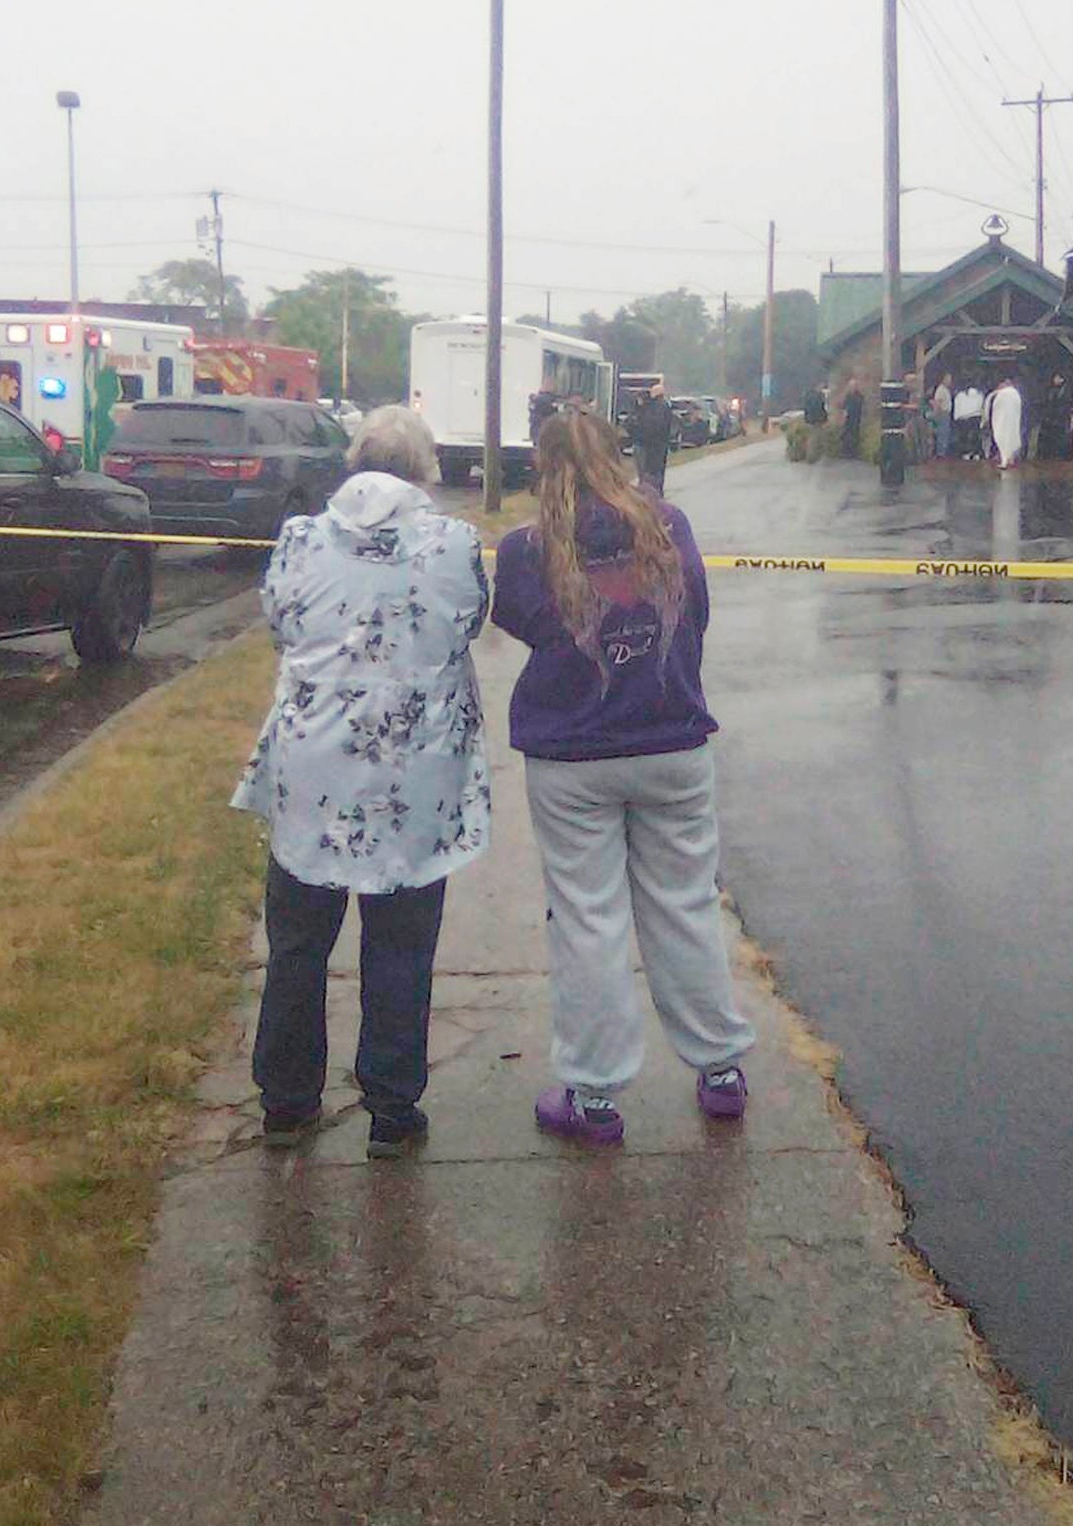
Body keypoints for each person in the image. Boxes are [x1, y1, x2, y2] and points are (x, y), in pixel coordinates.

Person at [230, 406, 490, 1160]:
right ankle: (391, 1107)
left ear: (355, 462)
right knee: (401, 945)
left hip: (313, 772)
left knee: (299, 941)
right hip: (415, 774)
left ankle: (286, 1100)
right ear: (425, 468)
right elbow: (468, 624)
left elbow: (279, 622)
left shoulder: (300, 540)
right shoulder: (454, 544)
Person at [491, 411, 756, 1147]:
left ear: (543, 467)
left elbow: (519, 621)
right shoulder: (668, 526)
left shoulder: (527, 549)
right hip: (671, 738)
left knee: (587, 920)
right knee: (685, 905)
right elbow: (696, 609)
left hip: (573, 751)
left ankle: (595, 1094)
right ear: (619, 454)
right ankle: (721, 1068)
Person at [629, 382, 675, 491]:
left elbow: (649, 425)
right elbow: (667, 426)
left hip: (647, 443)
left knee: (646, 471)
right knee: (656, 470)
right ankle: (656, 491)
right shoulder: (664, 407)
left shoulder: (649, 408)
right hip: (658, 444)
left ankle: (648, 490)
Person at [987, 373, 1025, 469]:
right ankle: (1010, 458)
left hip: (1002, 421)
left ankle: (1004, 460)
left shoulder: (1002, 393)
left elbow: (995, 407)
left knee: (1003, 440)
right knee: (1011, 438)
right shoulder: (1015, 393)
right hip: (1012, 421)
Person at [1038, 373, 1073, 462]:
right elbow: (1046, 401)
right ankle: (1047, 454)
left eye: (1058, 378)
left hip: (1061, 418)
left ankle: (1061, 455)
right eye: (1055, 378)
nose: (1055, 380)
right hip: (1049, 418)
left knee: (1061, 437)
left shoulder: (1067, 390)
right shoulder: (1049, 389)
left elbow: (1068, 403)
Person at [953, 377, 986, 460]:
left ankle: (966, 453)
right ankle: (976, 453)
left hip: (963, 419)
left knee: (964, 437)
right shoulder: (980, 394)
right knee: (976, 436)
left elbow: (957, 408)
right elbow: (981, 407)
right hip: (975, 418)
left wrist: (956, 418)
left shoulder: (960, 395)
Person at [838, 379, 865, 460]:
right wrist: (844, 416)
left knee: (855, 435)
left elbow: (860, 406)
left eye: (853, 386)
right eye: (851, 386)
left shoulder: (859, 396)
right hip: (848, 419)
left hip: (856, 418)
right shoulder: (848, 396)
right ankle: (846, 452)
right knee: (846, 435)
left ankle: (854, 452)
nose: (852, 387)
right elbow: (844, 407)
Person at [931, 375, 954, 460]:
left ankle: (942, 452)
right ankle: (940, 453)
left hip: (945, 413)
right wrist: (936, 413)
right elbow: (937, 402)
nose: (950, 381)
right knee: (942, 433)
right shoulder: (941, 390)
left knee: (944, 433)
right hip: (942, 413)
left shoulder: (945, 390)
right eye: (948, 379)